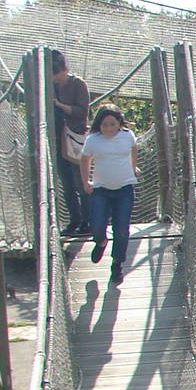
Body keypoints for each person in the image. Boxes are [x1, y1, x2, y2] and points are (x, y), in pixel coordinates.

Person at [79, 105, 138, 286]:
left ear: (119, 123)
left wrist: (133, 167)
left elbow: (134, 149)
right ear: (99, 125)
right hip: (101, 189)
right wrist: (86, 182)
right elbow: (84, 160)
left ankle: (116, 265)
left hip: (124, 189)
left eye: (112, 124)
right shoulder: (93, 140)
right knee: (96, 226)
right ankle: (101, 241)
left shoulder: (127, 136)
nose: (109, 128)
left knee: (121, 230)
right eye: (105, 125)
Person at [50, 50, 91, 237]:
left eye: (57, 73)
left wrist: (60, 105)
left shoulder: (78, 84)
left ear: (64, 69)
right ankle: (74, 220)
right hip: (58, 140)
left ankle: (87, 220)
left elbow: (82, 112)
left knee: (80, 181)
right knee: (66, 184)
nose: (55, 77)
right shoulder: (50, 86)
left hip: (75, 139)